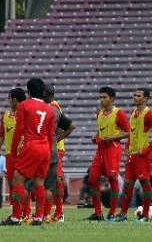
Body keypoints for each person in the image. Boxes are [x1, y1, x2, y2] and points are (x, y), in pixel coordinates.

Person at [0, 77, 55, 226]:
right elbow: (50, 135)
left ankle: (16, 217)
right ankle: (38, 217)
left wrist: (13, 151)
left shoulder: (25, 105)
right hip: (45, 148)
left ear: (28, 91)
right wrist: (47, 152)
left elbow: (19, 130)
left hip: (31, 146)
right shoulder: (49, 109)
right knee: (39, 182)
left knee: (17, 180)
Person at [84, 87, 130, 221]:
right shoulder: (99, 113)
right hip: (100, 150)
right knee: (92, 178)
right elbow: (101, 130)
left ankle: (111, 213)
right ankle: (98, 213)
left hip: (113, 149)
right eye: (100, 97)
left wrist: (113, 138)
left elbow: (128, 131)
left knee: (113, 179)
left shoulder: (118, 113)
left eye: (104, 97)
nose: (102, 100)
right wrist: (95, 136)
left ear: (112, 99)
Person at [114, 88, 152, 222]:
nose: (135, 97)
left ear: (145, 99)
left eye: (138, 96)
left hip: (142, 156)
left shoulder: (149, 114)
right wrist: (127, 146)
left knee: (144, 183)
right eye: (134, 95)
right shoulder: (133, 112)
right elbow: (132, 132)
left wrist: (146, 150)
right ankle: (123, 214)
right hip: (132, 155)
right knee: (127, 185)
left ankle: (146, 214)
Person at [42, 84, 75, 223]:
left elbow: (65, 125)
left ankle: (59, 212)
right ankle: (46, 211)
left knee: (56, 179)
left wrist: (55, 140)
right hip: (46, 147)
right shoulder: (43, 105)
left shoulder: (53, 106)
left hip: (56, 149)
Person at [0, 88, 26, 213]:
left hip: (25, 153)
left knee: (25, 184)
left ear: (14, 100)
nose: (8, 101)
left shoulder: (27, 113)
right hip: (10, 155)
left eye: (9, 98)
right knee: (12, 183)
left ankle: (27, 212)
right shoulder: (5, 116)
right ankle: (15, 210)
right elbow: (1, 136)